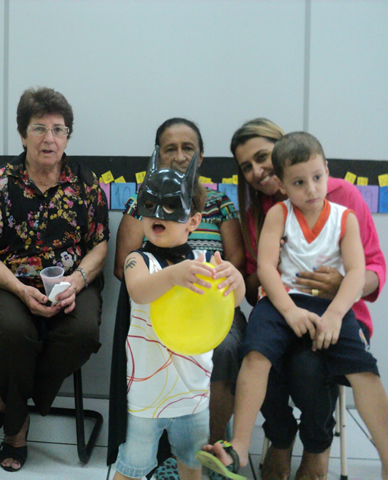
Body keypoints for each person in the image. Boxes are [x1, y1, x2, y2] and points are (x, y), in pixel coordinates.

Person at [200, 132, 388, 480]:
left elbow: (358, 272)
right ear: (283, 185)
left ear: (327, 170)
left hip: (331, 305)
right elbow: (266, 268)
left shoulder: (345, 216)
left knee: (364, 371)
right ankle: (240, 447)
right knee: (255, 355)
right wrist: (289, 311)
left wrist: (336, 314)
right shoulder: (277, 214)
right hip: (282, 301)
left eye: (317, 177)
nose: (311, 189)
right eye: (298, 182)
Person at [0, 86, 109, 472]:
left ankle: (8, 402)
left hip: (71, 281)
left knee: (82, 333)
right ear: (22, 134)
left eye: (59, 129)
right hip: (8, 283)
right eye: (39, 128)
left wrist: (76, 282)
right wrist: (20, 290)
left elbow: (99, 246)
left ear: (67, 136)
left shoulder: (85, 183)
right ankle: (16, 430)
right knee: (14, 333)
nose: (50, 139)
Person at [110, 149, 246, 480]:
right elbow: (138, 290)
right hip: (148, 394)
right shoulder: (138, 260)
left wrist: (236, 280)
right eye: (150, 204)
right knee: (132, 466)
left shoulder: (204, 262)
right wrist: (174, 275)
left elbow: (230, 303)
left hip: (193, 392)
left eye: (172, 207)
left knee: (191, 463)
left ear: (193, 222)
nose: (159, 214)